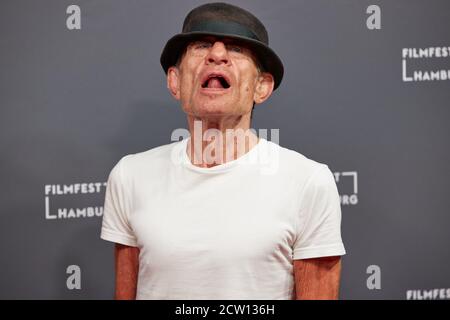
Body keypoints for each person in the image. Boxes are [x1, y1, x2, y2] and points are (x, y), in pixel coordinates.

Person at [100, 2, 346, 300]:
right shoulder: (130, 176)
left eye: (237, 49)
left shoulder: (309, 182)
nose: (217, 55)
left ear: (262, 87)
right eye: (202, 45)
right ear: (175, 81)